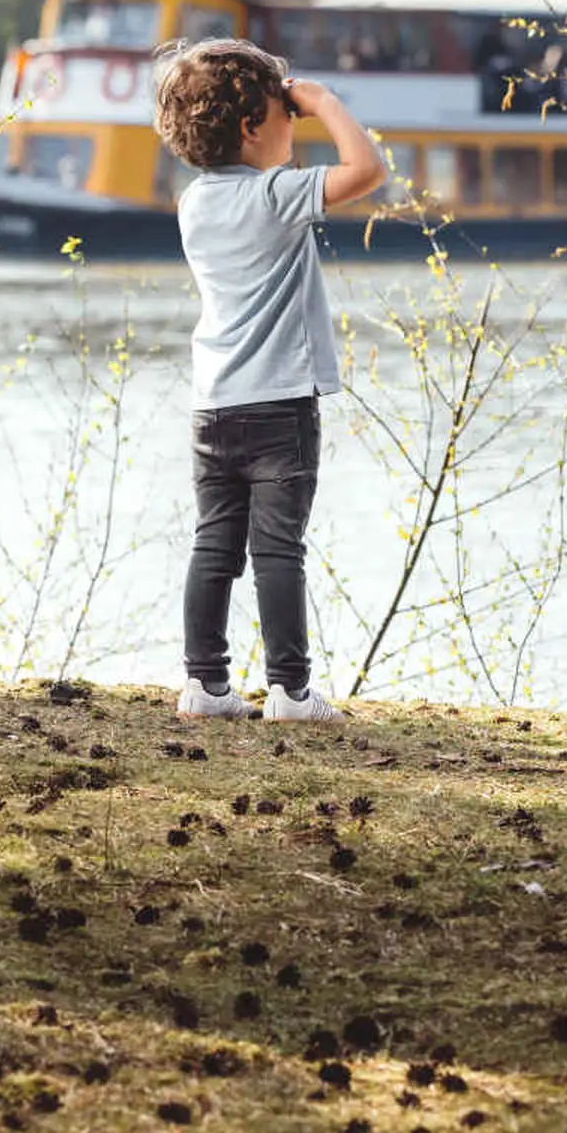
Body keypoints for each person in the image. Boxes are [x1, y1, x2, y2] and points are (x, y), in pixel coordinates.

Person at [157, 39, 384, 725]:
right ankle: (290, 691)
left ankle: (205, 684)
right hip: (279, 404)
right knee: (279, 549)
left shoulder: (194, 204)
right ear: (254, 126)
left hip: (213, 404)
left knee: (214, 543)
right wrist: (327, 102)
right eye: (287, 112)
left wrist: (293, 103)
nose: (297, 120)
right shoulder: (277, 196)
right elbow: (367, 169)